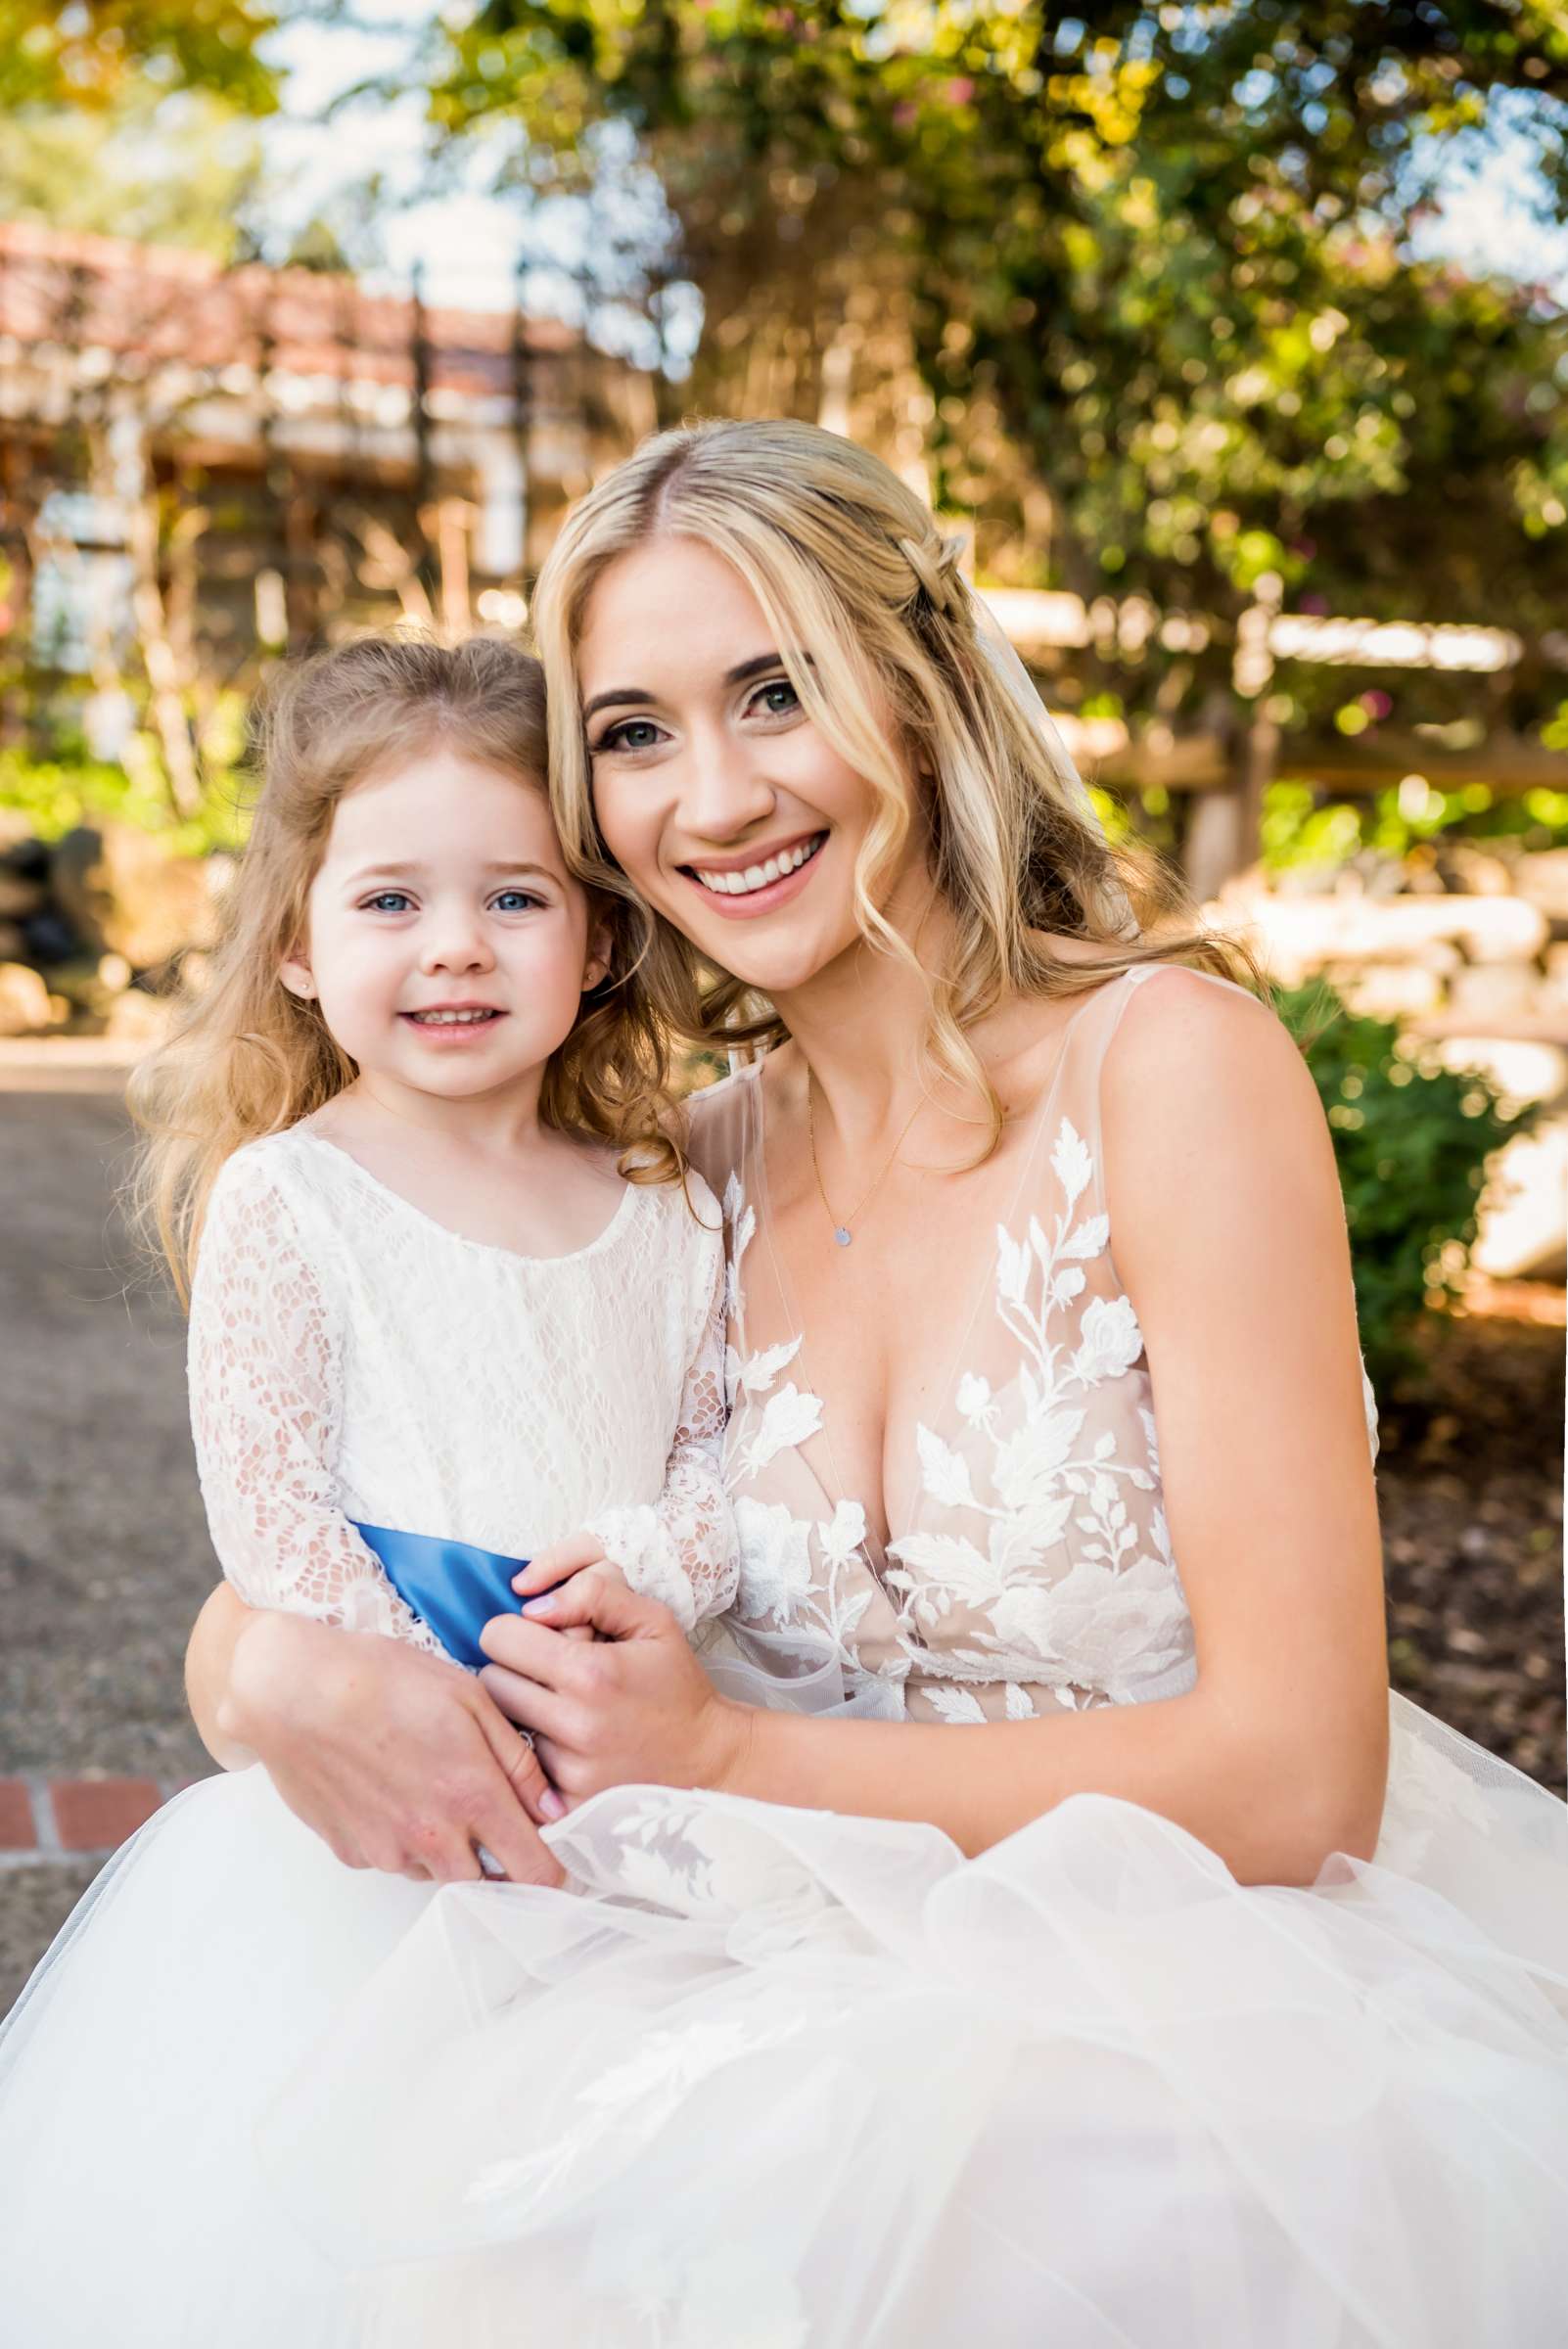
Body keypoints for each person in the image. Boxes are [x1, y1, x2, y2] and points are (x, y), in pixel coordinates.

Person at [192, 425, 1568, 2341]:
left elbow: (1301, 1771)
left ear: (917, 694)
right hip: (746, 1987)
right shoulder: (686, 1179)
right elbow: (424, 1500)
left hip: (1201, 2016)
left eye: (776, 692)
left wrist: (734, 1756)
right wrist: (252, 1666)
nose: (719, 791)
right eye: (634, 730)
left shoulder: (1169, 1072)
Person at [0, 636, 739, 2345]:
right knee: (381, 2225)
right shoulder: (291, 1200)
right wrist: (442, 1709)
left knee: (611, 2217)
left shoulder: (667, 1198)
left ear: (603, 936)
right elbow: (270, 1531)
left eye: (515, 899)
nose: (455, 946)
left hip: (640, 1760)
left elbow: (713, 1448)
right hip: (393, 1819)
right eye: (390, 901)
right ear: (296, 942)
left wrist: (648, 1579)